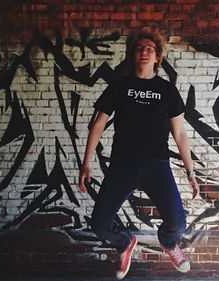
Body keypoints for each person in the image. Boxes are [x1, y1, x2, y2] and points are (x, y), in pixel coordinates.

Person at [78, 28, 199, 280]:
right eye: (140, 48)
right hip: (123, 164)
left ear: (157, 58)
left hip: (157, 165)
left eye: (150, 49)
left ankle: (168, 242)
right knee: (100, 225)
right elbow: (98, 125)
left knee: (177, 224)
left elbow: (180, 134)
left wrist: (190, 172)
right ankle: (124, 244)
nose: (144, 52)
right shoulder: (119, 87)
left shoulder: (167, 91)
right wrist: (86, 164)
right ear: (134, 55)